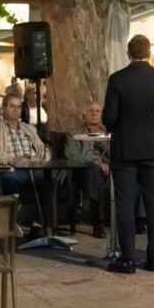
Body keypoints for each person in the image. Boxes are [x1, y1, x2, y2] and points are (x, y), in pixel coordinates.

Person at [101, 35, 154, 273]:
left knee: (125, 203)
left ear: (128, 52)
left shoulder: (118, 79)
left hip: (125, 148)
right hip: (153, 148)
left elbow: (109, 117)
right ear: (149, 52)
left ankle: (127, 259)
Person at [0, 94, 49, 196]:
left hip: (33, 167)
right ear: (3, 108)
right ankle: (15, 206)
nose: (16, 110)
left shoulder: (30, 128)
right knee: (9, 179)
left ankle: (47, 207)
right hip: (11, 169)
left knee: (50, 177)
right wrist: (11, 160)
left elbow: (42, 148)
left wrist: (43, 155)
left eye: (18, 107)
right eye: (12, 106)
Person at [65, 101, 111, 239]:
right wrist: (96, 163)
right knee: (94, 171)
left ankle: (132, 220)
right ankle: (98, 223)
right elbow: (72, 155)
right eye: (91, 111)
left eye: (97, 111)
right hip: (83, 169)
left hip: (108, 168)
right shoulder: (74, 133)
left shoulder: (108, 133)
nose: (94, 114)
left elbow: (117, 154)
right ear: (84, 114)